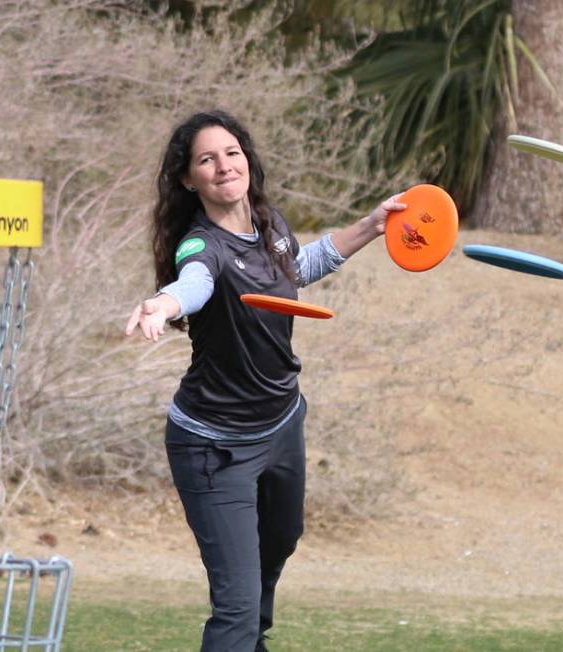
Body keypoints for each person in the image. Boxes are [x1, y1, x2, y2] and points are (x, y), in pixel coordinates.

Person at [124, 109, 405, 652]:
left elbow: (299, 267)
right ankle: (243, 632)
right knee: (234, 609)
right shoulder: (200, 245)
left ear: (246, 159)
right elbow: (194, 283)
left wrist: (373, 225)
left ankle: (252, 635)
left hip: (280, 425)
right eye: (207, 160)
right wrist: (162, 303)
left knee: (281, 539)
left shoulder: (269, 225)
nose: (224, 166)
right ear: (189, 179)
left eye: (231, 153)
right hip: (214, 444)